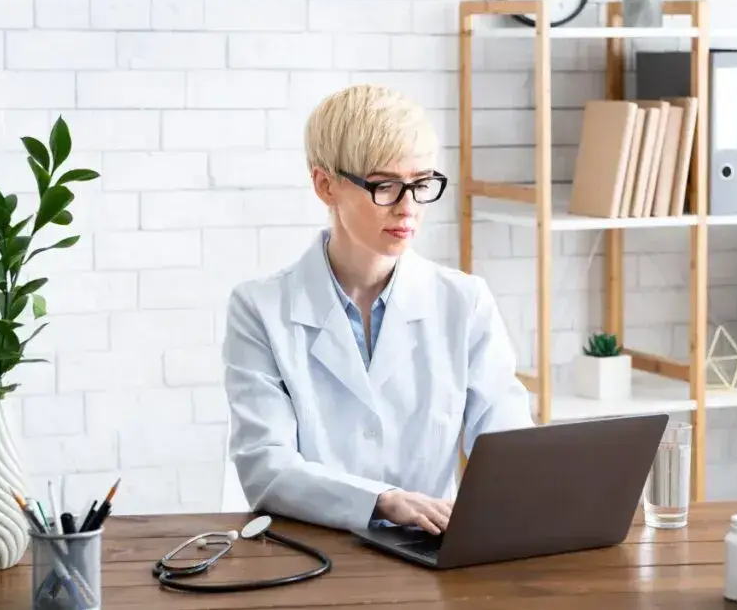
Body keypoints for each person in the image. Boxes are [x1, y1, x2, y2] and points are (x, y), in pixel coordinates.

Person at [222, 84, 534, 536]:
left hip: (429, 550)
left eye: (421, 184)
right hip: (312, 552)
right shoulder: (260, 309)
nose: (408, 208)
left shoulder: (464, 302)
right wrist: (381, 501)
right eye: (385, 186)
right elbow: (265, 467)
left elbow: (508, 443)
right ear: (324, 185)